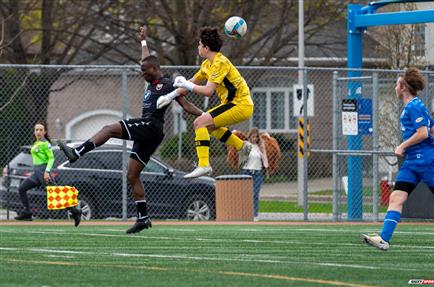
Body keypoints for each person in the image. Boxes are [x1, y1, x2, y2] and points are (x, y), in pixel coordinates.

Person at [57, 26, 204, 234]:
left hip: (151, 126)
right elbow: (146, 59)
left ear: (155, 69)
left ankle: (77, 153)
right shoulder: (151, 77)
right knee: (132, 175)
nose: (142, 74)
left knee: (108, 129)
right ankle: (143, 218)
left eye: (145, 71)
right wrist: (143, 41)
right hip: (149, 134)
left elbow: (187, 106)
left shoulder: (167, 84)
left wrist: (208, 117)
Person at [362, 68, 434, 251]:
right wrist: (418, 149)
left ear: (402, 87)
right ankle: (383, 239)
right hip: (412, 163)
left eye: (396, 84)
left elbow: (424, 133)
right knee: (396, 197)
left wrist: (404, 147)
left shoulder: (414, 106)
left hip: (424, 162)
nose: (395, 87)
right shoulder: (414, 106)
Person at [157, 27, 254, 178]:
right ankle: (242, 146)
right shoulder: (206, 65)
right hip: (233, 104)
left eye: (199, 45)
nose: (198, 47)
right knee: (207, 127)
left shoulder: (220, 62)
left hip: (241, 104)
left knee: (199, 123)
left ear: (206, 48)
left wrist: (186, 84)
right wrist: (169, 96)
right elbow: (189, 84)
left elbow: (208, 91)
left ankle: (204, 165)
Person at [15, 121, 82, 226]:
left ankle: (75, 212)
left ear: (45, 132)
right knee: (22, 188)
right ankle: (27, 212)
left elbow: (51, 158)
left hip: (43, 172)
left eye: (41, 130)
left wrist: (46, 172)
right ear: (34, 131)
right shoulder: (37, 143)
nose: (38, 132)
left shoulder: (46, 144)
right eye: (36, 130)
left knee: (56, 195)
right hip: (37, 173)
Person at [239, 128, 269, 219]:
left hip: (257, 173)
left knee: (255, 194)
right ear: (249, 136)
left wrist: (267, 168)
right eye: (253, 137)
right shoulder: (246, 145)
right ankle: (245, 213)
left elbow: (264, 158)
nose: (254, 138)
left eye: (256, 137)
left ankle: (255, 214)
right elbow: (242, 159)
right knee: (246, 194)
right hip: (246, 172)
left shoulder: (260, 146)